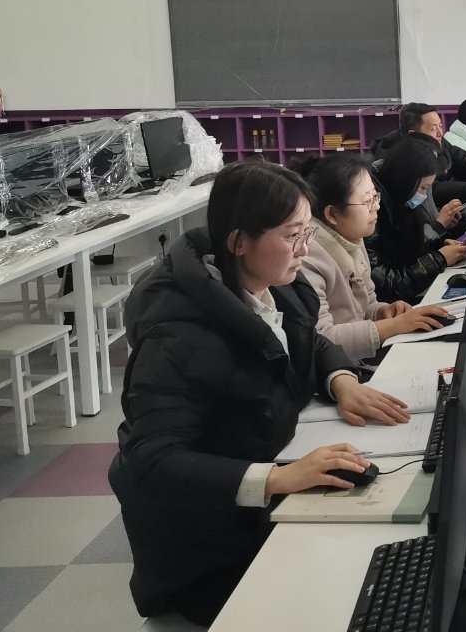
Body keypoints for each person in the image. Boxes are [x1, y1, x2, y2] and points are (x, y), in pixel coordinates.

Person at [109, 161, 409, 625]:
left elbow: (310, 341)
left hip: (268, 482)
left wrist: (341, 381)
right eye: (292, 236)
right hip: (209, 543)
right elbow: (152, 464)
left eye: (306, 232)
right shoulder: (177, 337)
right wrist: (278, 479)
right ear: (238, 242)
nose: (305, 248)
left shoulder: (276, 284)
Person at [293, 154, 453, 362]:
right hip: (338, 369)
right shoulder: (305, 257)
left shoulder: (351, 238)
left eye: (376, 197)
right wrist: (394, 325)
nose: (377, 206)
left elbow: (366, 303)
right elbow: (323, 338)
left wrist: (383, 312)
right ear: (332, 214)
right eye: (367, 201)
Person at [367, 134, 466, 303]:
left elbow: (406, 250)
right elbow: (387, 285)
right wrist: (439, 259)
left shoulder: (401, 204)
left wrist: (438, 246)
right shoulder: (372, 214)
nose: (424, 195)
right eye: (422, 188)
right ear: (404, 181)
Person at [373, 102, 466, 207]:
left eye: (440, 126)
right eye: (433, 128)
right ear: (414, 135)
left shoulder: (438, 141)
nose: (440, 133)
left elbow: (465, 160)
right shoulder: (401, 157)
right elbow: (430, 189)